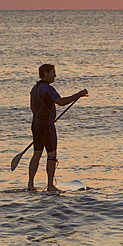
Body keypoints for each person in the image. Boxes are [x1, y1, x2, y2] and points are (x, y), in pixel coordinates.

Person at [28, 64, 88, 192]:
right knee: (51, 155)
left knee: (37, 154)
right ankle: (50, 185)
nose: (55, 75)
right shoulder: (47, 89)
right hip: (46, 126)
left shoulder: (34, 89)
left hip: (35, 124)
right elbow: (60, 102)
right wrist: (79, 94)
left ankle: (30, 185)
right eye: (52, 72)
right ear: (45, 74)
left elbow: (32, 108)